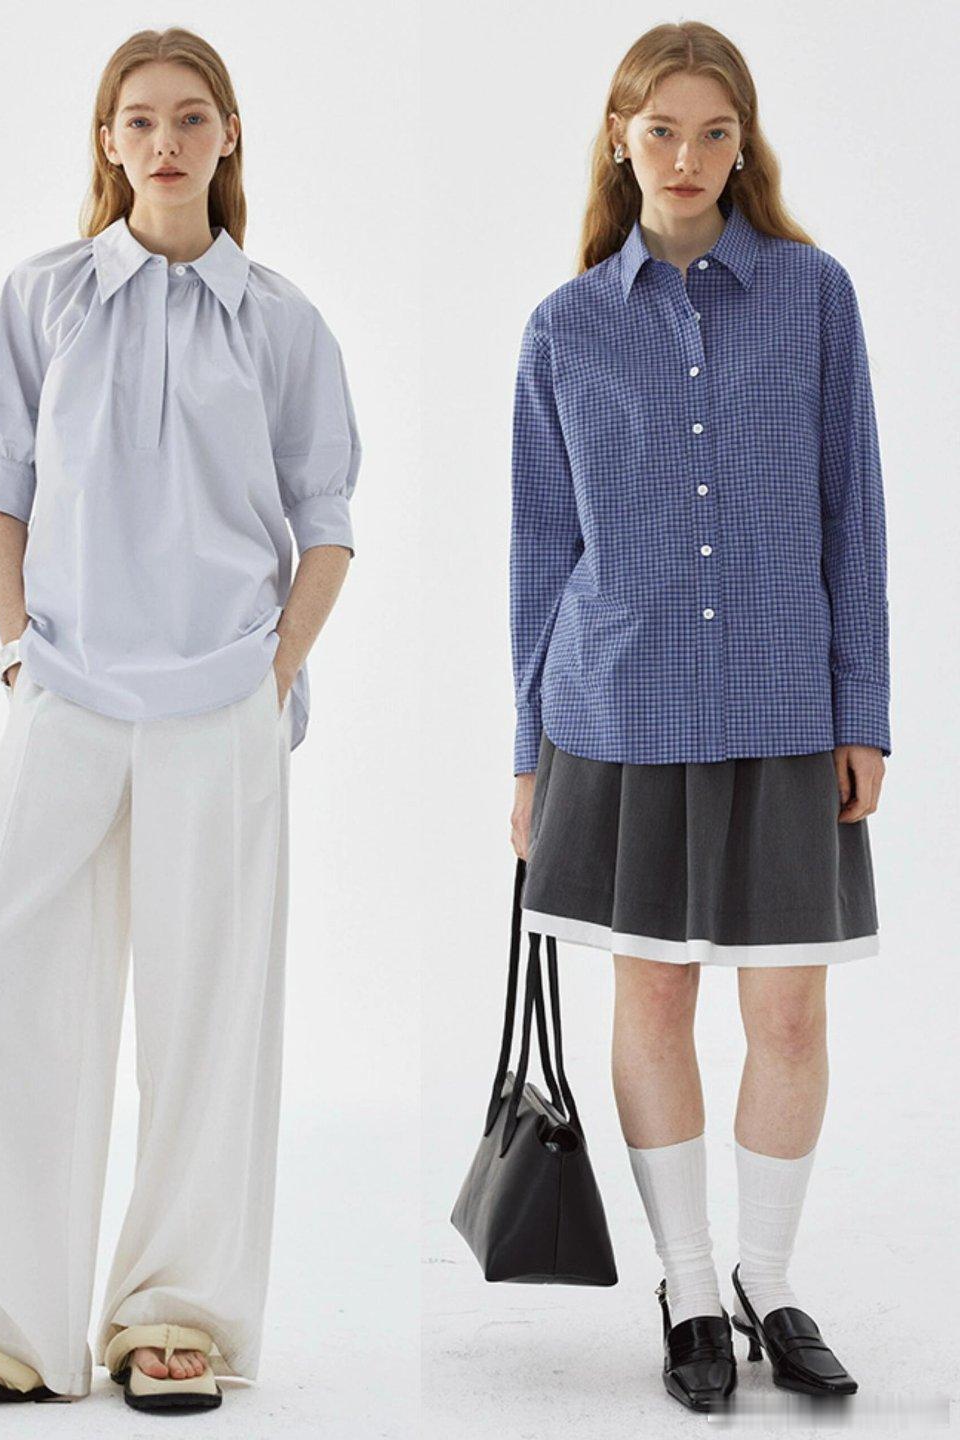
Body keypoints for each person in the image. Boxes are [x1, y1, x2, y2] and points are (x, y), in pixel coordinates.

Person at [0, 26, 359, 1418]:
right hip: (68, 691)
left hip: (223, 702)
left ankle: (175, 1316)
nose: (164, 140)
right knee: (7, 985)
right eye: (139, 119)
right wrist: (18, 658)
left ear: (228, 137)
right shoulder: (44, 300)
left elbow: (326, 524)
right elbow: (2, 492)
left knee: (210, 1011)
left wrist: (273, 676)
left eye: (191, 116)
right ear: (107, 140)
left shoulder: (282, 323)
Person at [508, 21, 888, 1412]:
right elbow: (539, 555)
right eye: (660, 130)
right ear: (621, 139)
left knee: (787, 1010)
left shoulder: (815, 296)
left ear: (744, 144)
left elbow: (857, 513)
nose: (685, 156)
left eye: (713, 132)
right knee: (654, 995)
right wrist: (525, 756)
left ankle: (766, 1283)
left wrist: (866, 712)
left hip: (787, 705)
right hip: (617, 714)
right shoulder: (564, 328)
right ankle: (685, 1289)